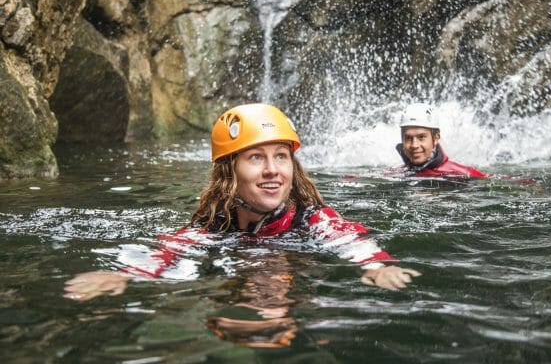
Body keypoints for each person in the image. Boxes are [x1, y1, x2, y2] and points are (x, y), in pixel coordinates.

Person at [65, 103, 421, 303]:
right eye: (255, 158)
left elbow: (349, 237)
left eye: (281, 157)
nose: (272, 171)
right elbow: (171, 249)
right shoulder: (214, 225)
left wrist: (376, 265)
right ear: (228, 171)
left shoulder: (312, 218)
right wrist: (125, 274)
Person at [395, 103, 487, 178]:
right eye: (408, 138)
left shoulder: (464, 174)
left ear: (436, 138)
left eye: (421, 137)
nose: (414, 145)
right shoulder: (394, 173)